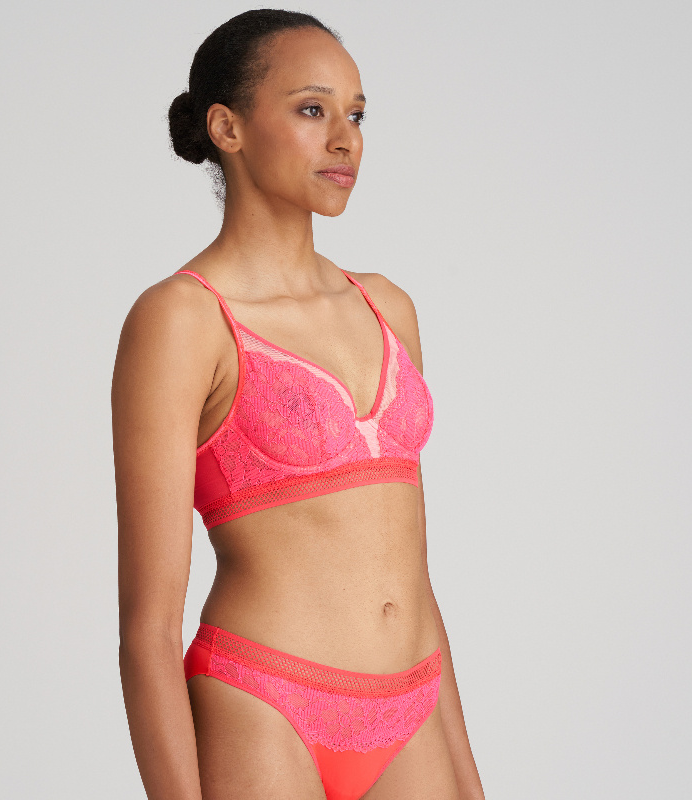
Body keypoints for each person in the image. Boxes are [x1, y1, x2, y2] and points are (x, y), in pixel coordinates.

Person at [112, 9, 484, 800]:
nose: (345, 140)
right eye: (313, 110)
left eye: (357, 115)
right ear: (228, 128)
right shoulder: (183, 319)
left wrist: (469, 776)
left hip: (412, 706)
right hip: (263, 703)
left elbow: (414, 575)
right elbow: (148, 630)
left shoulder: (388, 307)